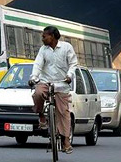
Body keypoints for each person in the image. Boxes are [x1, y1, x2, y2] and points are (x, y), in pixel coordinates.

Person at [29, 26, 77, 154]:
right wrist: (34, 78)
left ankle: (66, 140)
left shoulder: (67, 48)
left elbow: (73, 64)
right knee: (38, 94)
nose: (42, 38)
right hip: (46, 81)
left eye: (44, 36)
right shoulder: (43, 50)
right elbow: (38, 64)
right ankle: (41, 117)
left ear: (53, 36)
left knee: (63, 112)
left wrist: (69, 76)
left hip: (62, 84)